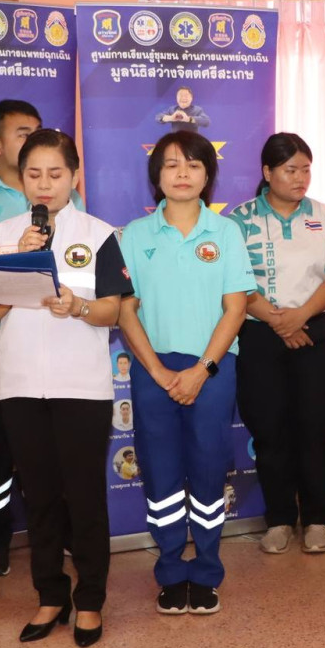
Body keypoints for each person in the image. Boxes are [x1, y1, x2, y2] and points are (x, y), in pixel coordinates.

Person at [0, 129, 130, 648]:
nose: (44, 184)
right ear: (20, 178)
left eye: (55, 174)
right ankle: (49, 594)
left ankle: (91, 599)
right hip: (20, 384)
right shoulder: (2, 235)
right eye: (34, 174)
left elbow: (113, 310)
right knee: (38, 496)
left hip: (81, 386)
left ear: (74, 177)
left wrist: (79, 306)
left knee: (84, 497)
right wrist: (16, 261)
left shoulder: (99, 234)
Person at [118, 130, 254, 616]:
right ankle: (172, 571)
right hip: (153, 369)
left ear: (208, 175)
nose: (182, 173)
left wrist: (203, 369)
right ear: (156, 175)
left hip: (212, 370)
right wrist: (157, 370)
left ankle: (208, 569)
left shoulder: (226, 233)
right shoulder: (134, 235)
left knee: (209, 468)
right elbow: (125, 309)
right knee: (161, 472)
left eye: (194, 165)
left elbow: (235, 308)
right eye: (172, 164)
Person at [225, 133, 325, 556]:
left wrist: (300, 316)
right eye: (290, 170)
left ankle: (317, 519)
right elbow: (236, 281)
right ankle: (278, 519)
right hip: (261, 335)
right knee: (270, 429)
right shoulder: (239, 220)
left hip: (315, 331)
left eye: (306, 169)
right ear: (267, 172)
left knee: (315, 427)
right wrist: (279, 321)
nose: (300, 178)